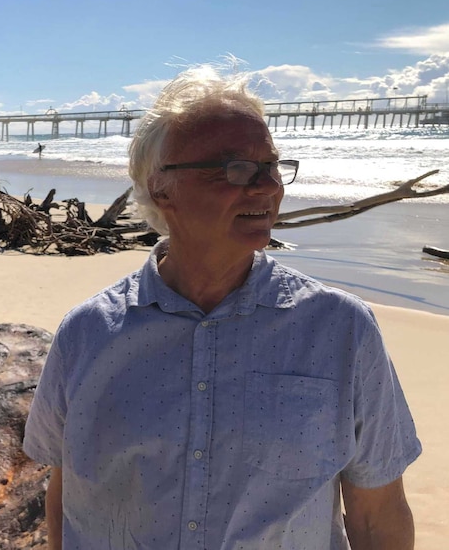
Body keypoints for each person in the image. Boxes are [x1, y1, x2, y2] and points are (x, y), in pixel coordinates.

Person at [23, 66, 421, 549]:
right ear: (161, 188)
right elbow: (67, 500)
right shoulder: (87, 333)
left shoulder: (341, 329)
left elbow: (377, 516)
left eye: (271, 167)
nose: (265, 187)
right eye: (235, 168)